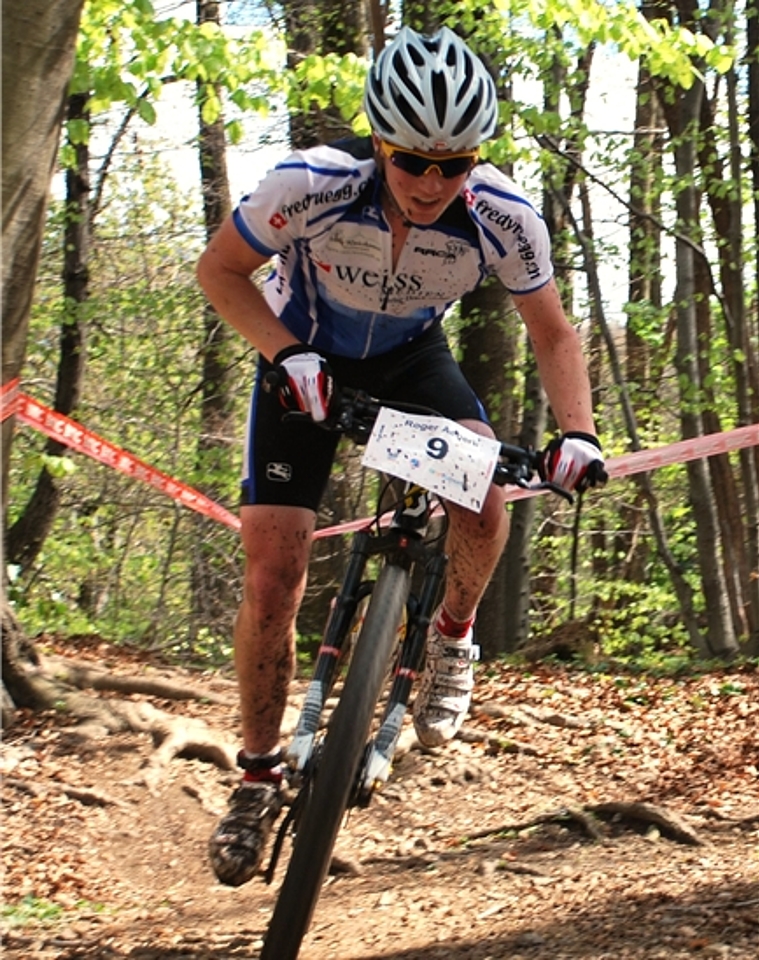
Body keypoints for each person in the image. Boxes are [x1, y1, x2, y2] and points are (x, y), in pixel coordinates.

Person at [196, 25, 606, 888]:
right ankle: (257, 775)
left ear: (475, 160)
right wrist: (284, 353)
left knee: (485, 501)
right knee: (274, 575)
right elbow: (221, 272)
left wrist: (579, 434)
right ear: (380, 140)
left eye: (452, 164)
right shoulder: (309, 184)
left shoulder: (503, 217)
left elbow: (553, 332)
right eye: (413, 159)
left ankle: (453, 636)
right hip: (303, 356)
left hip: (414, 364)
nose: (431, 182)